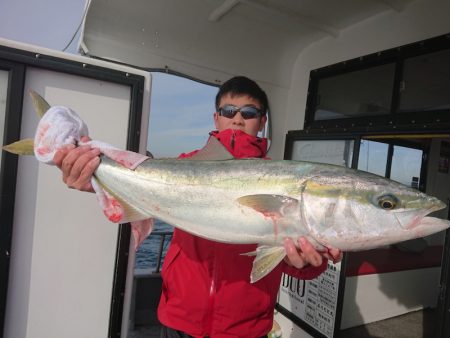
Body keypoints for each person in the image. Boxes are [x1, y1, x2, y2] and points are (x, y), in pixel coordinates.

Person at [54, 76, 342, 338]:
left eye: (249, 113)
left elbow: (296, 262)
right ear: (216, 118)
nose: (238, 120)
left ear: (262, 121)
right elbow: (136, 190)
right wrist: (94, 178)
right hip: (180, 317)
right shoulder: (181, 164)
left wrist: (303, 264)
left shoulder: (280, 178)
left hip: (246, 327)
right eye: (229, 111)